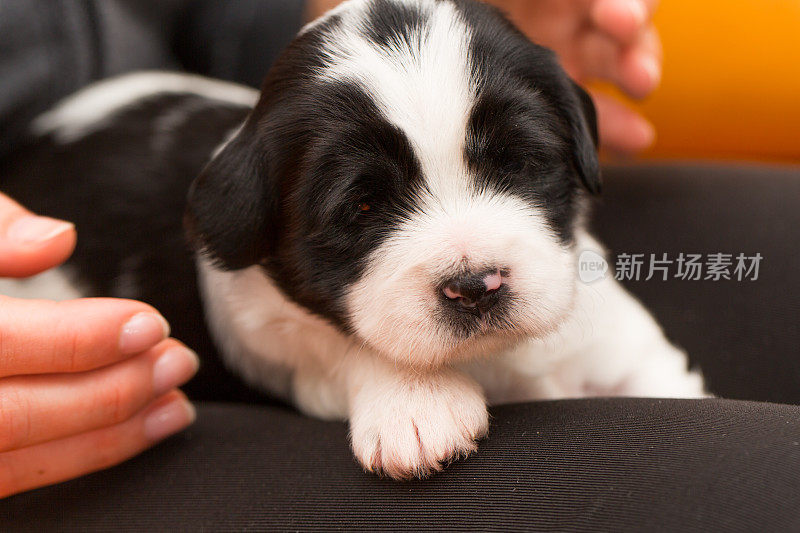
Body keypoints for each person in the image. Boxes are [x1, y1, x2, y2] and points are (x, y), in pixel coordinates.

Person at [0, 0, 661, 498]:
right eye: (362, 208)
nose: (472, 273)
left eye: (516, 163)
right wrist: (363, 369)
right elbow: (242, 296)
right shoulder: (252, 211)